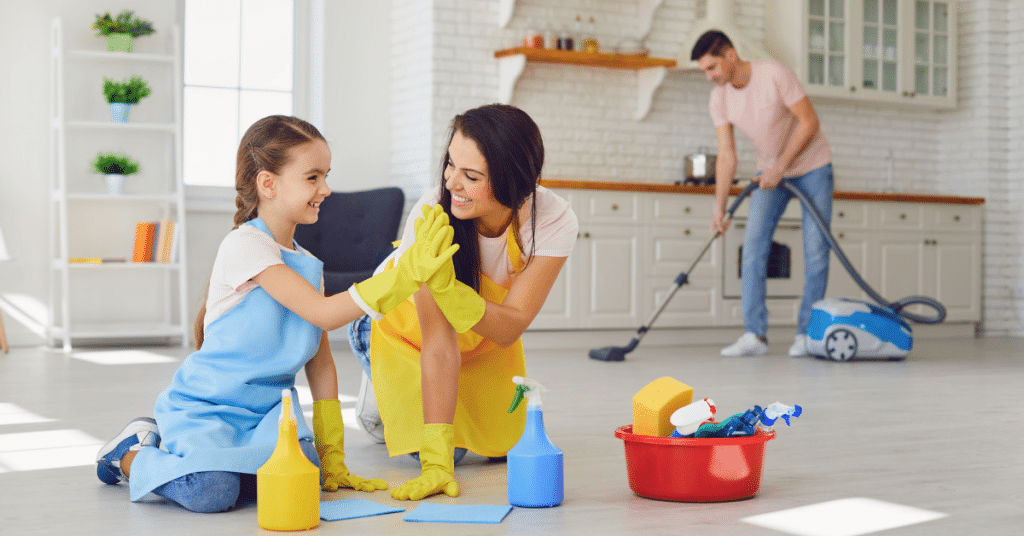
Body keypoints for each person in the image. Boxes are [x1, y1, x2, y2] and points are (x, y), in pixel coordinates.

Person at [94, 115, 460, 513]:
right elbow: (323, 314)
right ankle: (132, 453)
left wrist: (332, 456)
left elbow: (320, 364)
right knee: (213, 493)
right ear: (267, 184)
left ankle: (218, 463)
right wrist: (401, 276)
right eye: (313, 177)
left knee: (303, 481)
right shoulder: (246, 246)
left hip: (269, 415)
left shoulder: (308, 265)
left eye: (326, 175)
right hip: (210, 409)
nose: (326, 188)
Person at [348, 103, 578, 501]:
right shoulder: (432, 213)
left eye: (470, 175)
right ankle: (375, 410)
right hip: (402, 332)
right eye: (450, 165)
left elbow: (511, 326)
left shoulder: (552, 220)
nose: (452, 182)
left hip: (480, 336)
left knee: (503, 446)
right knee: (448, 449)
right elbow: (437, 342)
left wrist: (456, 295)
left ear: (514, 184)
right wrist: (436, 461)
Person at [691, 30, 834, 357]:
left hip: (811, 168)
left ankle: (806, 335)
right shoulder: (720, 98)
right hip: (768, 175)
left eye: (712, 68)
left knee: (815, 253)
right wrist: (720, 208)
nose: (709, 77)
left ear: (730, 56)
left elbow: (809, 122)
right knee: (753, 249)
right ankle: (754, 335)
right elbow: (727, 154)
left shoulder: (774, 75)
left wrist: (782, 166)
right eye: (704, 71)